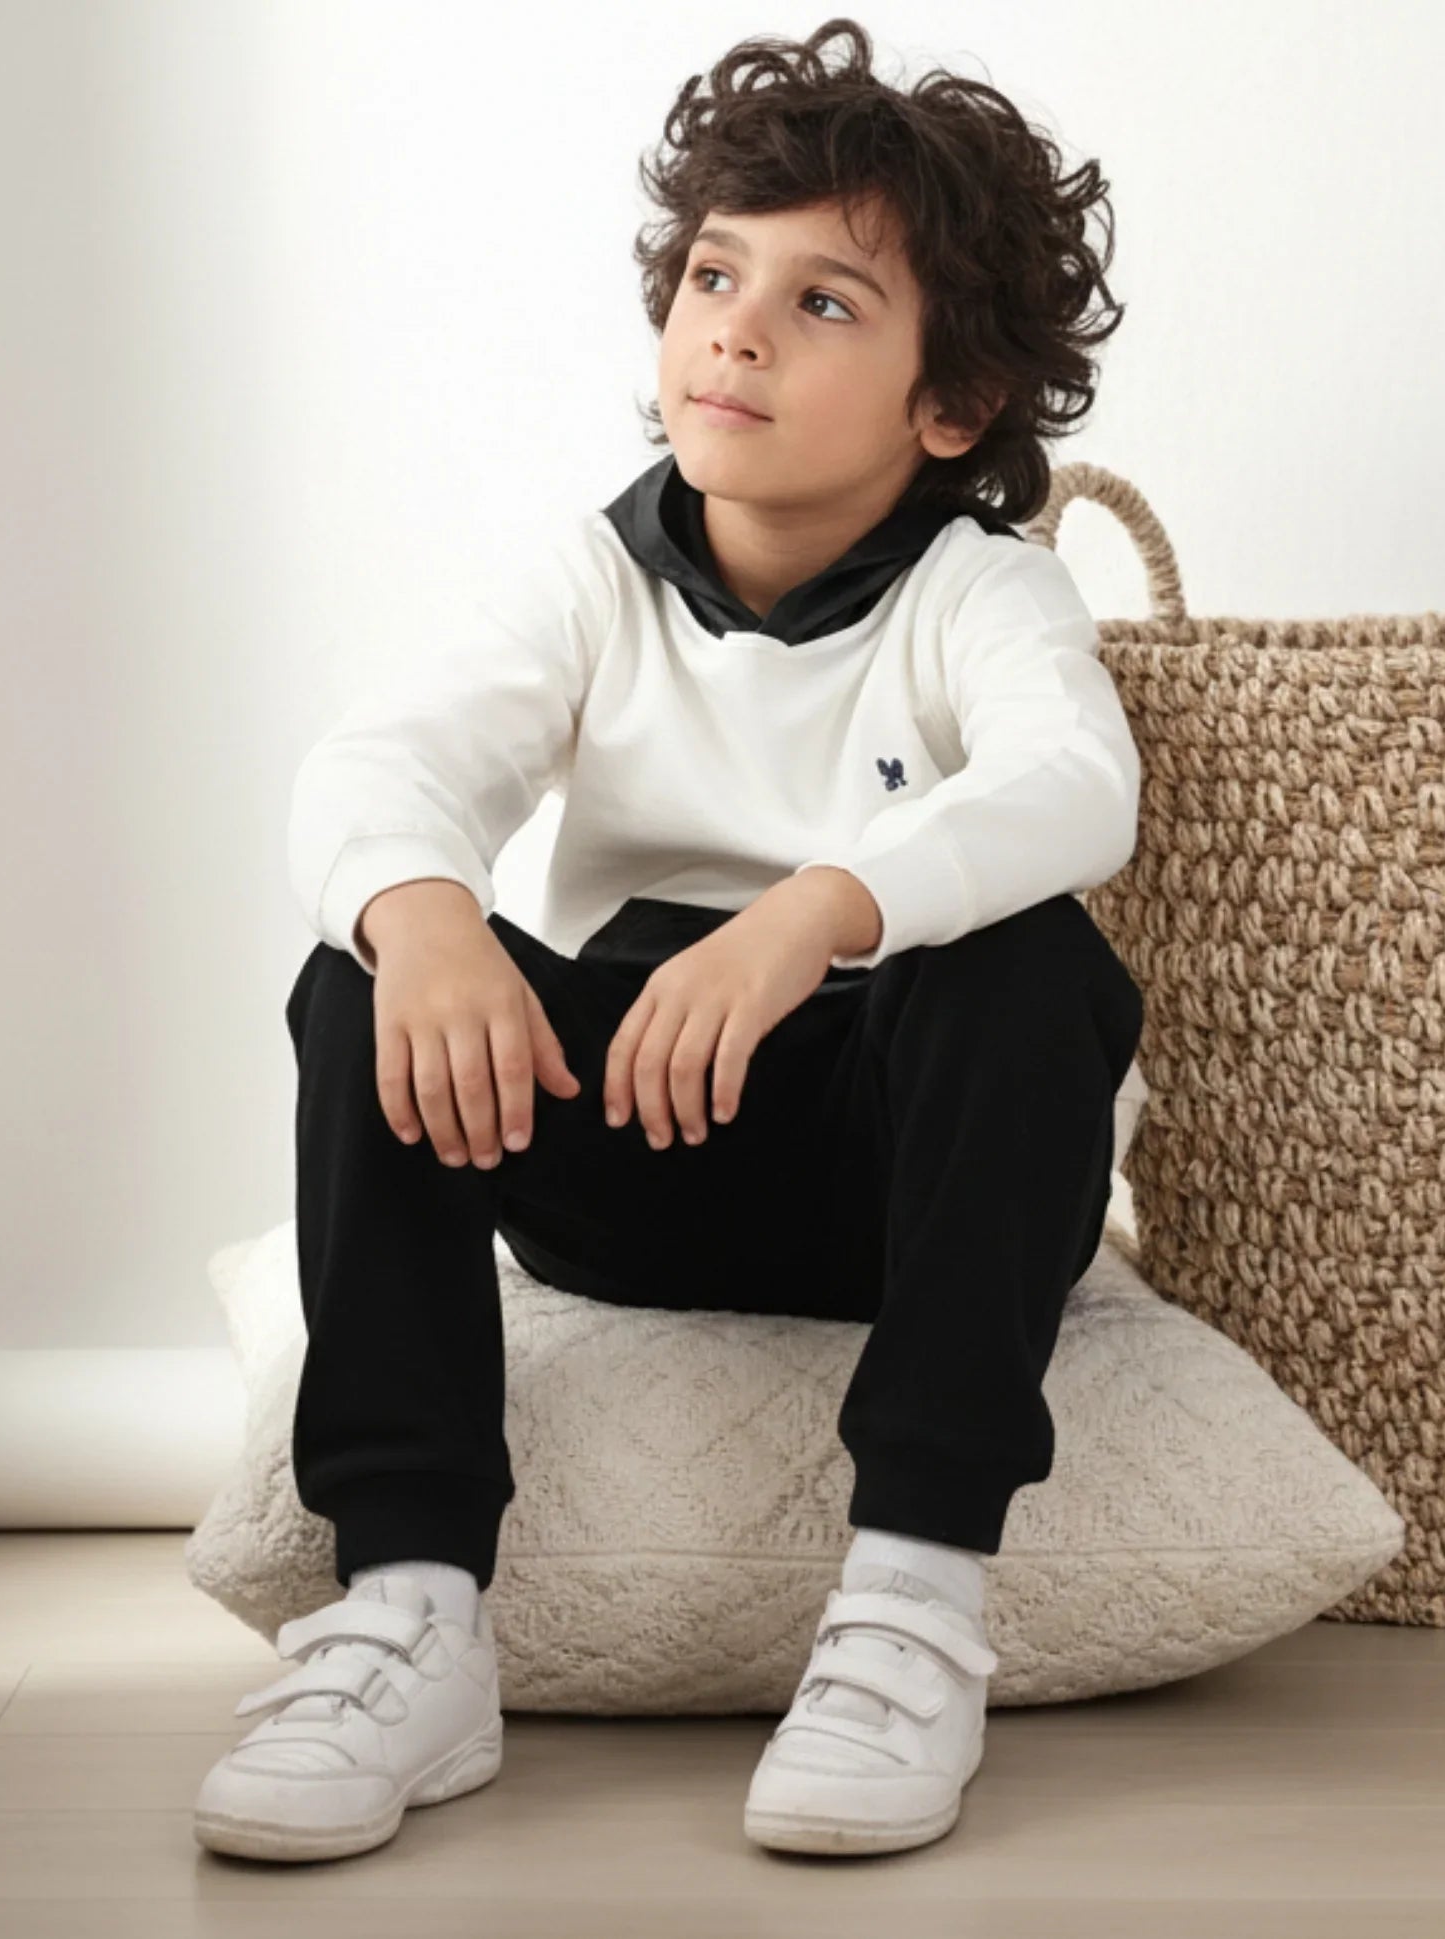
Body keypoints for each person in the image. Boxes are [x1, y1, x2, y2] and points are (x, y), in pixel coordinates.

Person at [194, 15, 1142, 1866]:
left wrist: (815, 912)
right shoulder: (589, 576)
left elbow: (1074, 785)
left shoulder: (987, 595)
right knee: (358, 973)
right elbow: (384, 763)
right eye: (716, 276)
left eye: (823, 302)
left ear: (951, 407)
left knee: (1034, 970)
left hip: (886, 1178)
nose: (737, 330)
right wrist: (424, 915)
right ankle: (409, 1609)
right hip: (622, 1147)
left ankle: (911, 1606)